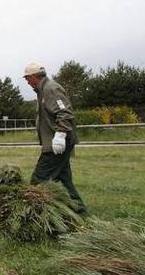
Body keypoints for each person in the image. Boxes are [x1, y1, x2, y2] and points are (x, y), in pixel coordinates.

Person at [23, 62, 87, 213]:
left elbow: (65, 113)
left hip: (57, 143)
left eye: (27, 78)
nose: (27, 82)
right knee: (64, 180)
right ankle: (79, 209)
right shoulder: (42, 90)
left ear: (34, 76)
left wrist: (60, 135)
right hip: (54, 141)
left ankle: (36, 213)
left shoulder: (51, 89)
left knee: (39, 178)